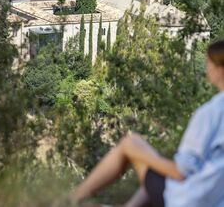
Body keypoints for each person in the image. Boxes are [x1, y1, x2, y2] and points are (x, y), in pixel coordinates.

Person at [71, 40, 224, 207]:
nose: (206, 67)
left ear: (220, 69)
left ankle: (72, 200)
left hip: (190, 200)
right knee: (157, 169)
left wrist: (140, 154)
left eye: (208, 62)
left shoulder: (210, 113)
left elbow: (181, 173)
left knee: (131, 143)